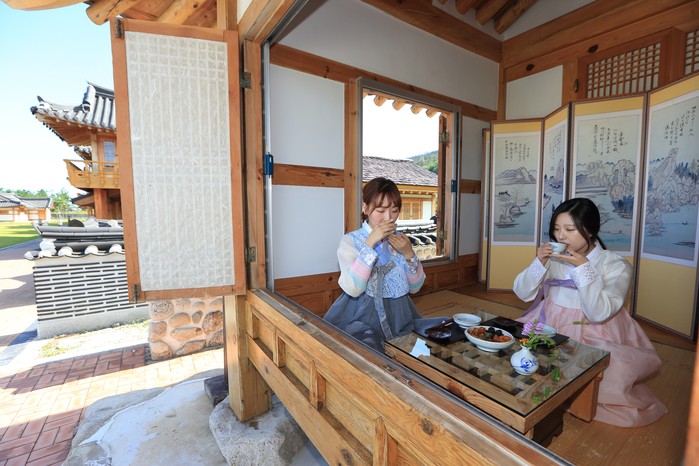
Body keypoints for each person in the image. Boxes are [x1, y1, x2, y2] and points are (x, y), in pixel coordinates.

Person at [513, 197, 667, 427]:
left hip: (591, 326)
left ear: (591, 230)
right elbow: (522, 293)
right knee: (516, 350)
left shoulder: (615, 265)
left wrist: (583, 268)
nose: (560, 237)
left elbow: (598, 313)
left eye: (569, 230)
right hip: (549, 319)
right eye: (556, 229)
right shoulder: (555, 259)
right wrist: (539, 262)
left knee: (607, 369)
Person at [324, 177, 443, 352]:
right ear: (365, 208)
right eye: (380, 210)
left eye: (394, 210)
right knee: (368, 350)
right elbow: (353, 288)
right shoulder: (350, 241)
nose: (388, 217)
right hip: (361, 315)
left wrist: (409, 253)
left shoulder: (400, 240)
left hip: (399, 314)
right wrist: (369, 244)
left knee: (442, 333)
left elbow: (415, 288)